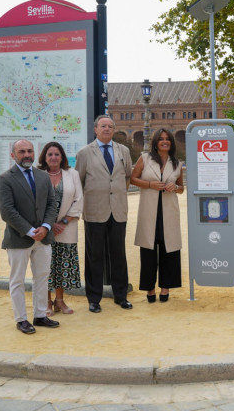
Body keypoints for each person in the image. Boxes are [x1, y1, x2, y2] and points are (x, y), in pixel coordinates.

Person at [0, 139, 59, 334]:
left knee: (42, 277)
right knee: (18, 280)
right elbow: (7, 211)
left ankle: (40, 315)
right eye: (22, 151)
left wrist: (46, 227)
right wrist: (31, 231)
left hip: (44, 237)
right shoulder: (5, 179)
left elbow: (51, 204)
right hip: (19, 238)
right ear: (13, 155)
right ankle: (21, 319)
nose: (27, 155)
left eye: (30, 151)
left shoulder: (42, 176)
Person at [75, 115, 134, 313]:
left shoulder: (123, 151)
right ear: (95, 129)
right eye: (103, 126)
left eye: (110, 126)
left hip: (118, 210)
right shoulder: (84, 153)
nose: (107, 129)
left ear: (114, 129)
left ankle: (121, 295)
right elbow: (79, 181)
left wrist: (117, 193)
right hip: (94, 211)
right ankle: (94, 299)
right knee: (94, 256)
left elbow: (127, 175)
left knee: (119, 255)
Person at [130, 129, 184, 303]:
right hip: (149, 211)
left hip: (169, 212)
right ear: (155, 142)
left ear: (171, 142)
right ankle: (150, 289)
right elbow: (133, 179)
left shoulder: (177, 163)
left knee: (169, 251)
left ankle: (166, 287)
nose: (164, 141)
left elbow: (181, 188)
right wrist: (150, 184)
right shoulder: (145, 158)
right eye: (161, 139)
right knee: (148, 251)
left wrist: (175, 187)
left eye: (167, 139)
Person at [38, 142, 83, 316]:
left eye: (57, 154)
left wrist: (63, 222)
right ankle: (47, 302)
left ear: (62, 156)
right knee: (45, 265)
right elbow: (34, 202)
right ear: (44, 157)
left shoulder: (72, 174)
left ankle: (59, 300)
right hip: (44, 228)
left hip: (66, 228)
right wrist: (49, 225)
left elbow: (79, 199)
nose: (53, 158)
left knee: (63, 265)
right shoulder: (38, 175)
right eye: (50, 154)